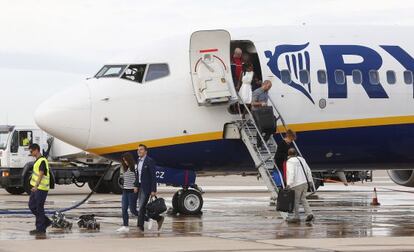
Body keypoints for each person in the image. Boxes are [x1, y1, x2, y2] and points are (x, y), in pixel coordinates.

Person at [134, 144, 164, 231]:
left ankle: (140, 226)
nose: (139, 151)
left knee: (141, 206)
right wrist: (136, 185)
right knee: (142, 207)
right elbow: (137, 175)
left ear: (145, 152)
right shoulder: (138, 161)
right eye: (138, 150)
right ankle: (158, 218)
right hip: (139, 186)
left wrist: (153, 190)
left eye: (141, 149)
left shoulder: (149, 161)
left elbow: (153, 176)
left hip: (146, 187)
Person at [28, 143, 52, 235]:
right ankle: (45, 221)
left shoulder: (42, 160)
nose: (30, 153)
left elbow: (41, 173)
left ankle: (40, 229)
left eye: (31, 151)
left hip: (41, 188)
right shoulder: (37, 160)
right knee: (32, 206)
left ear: (36, 150)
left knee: (39, 208)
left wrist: (36, 185)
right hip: (36, 189)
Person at [286, 148, 314, 223]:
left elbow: (291, 173)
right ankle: (309, 213)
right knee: (303, 198)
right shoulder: (302, 159)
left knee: (295, 201)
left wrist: (289, 184)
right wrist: (310, 180)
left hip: (296, 184)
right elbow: (308, 170)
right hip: (305, 182)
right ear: (296, 153)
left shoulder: (290, 161)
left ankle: (296, 217)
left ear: (288, 154)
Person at [116, 152, 139, 233]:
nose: (125, 162)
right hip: (125, 190)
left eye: (126, 160)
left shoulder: (135, 167)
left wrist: (136, 186)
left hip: (132, 191)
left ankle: (147, 219)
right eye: (124, 161)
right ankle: (125, 226)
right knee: (124, 209)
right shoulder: (125, 168)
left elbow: (138, 178)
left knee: (133, 210)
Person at [251, 80, 274, 148]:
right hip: (256, 111)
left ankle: (263, 141)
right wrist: (261, 103)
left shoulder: (266, 91)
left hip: (264, 111)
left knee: (271, 127)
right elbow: (252, 103)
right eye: (269, 86)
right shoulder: (257, 92)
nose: (269, 88)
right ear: (264, 84)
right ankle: (259, 144)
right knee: (260, 128)